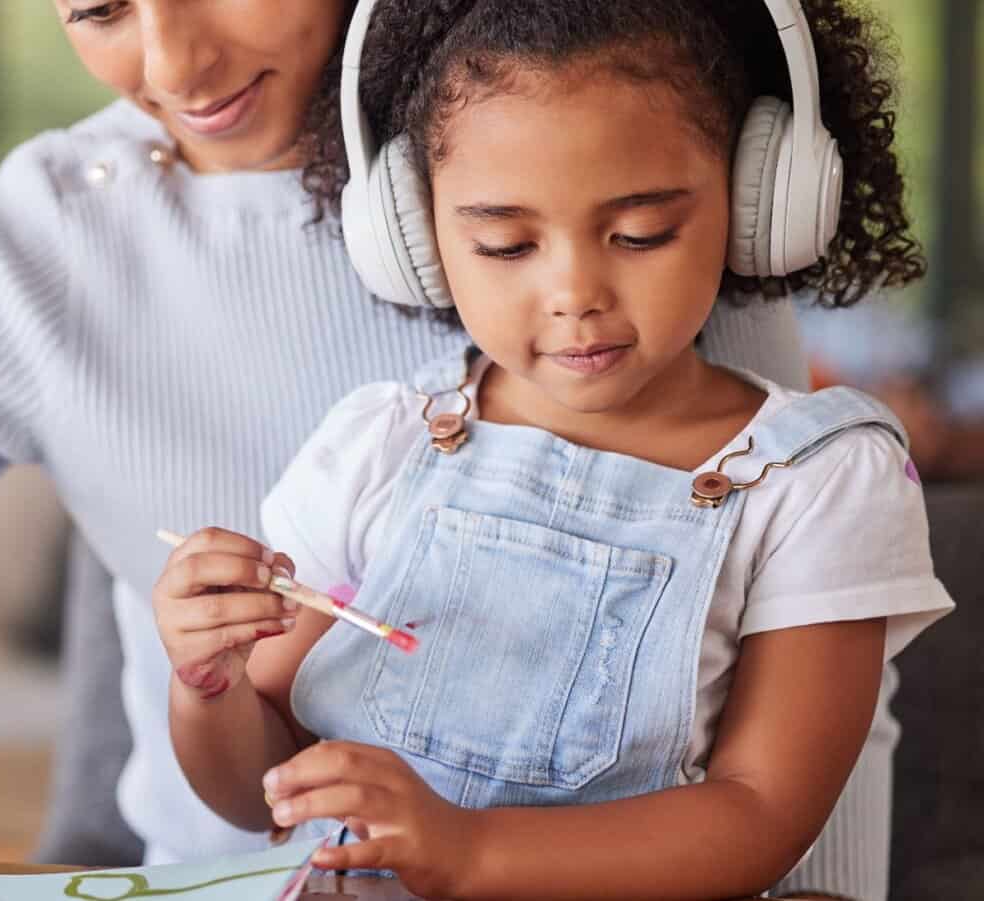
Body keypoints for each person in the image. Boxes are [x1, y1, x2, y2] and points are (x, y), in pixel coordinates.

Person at [0, 1, 883, 895]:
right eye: (98, 5)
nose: (171, 60)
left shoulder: (616, 128)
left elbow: (780, 696)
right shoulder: (22, 257)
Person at [152, 1, 953, 898]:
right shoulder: (381, 443)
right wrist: (207, 686)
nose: (575, 292)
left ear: (756, 195)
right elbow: (268, 794)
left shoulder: (818, 481)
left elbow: (760, 815)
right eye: (506, 244)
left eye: (640, 234)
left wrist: (468, 849)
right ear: (414, 236)